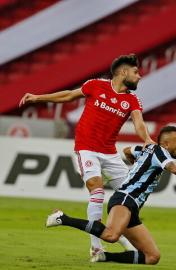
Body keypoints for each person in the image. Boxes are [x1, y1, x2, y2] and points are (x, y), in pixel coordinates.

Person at [19, 54, 155, 257]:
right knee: (97, 189)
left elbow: (139, 123)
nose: (140, 76)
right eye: (136, 72)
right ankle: (96, 247)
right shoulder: (96, 85)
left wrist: (147, 139)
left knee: (129, 199)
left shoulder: (131, 100)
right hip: (87, 148)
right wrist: (38, 97)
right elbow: (68, 95)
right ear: (123, 72)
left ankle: (124, 237)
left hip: (110, 153)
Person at [45, 126, 176, 265]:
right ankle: (62, 218)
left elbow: (127, 150)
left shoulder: (147, 149)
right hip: (125, 198)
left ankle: (105, 257)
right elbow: (175, 169)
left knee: (152, 257)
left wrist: (138, 164)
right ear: (166, 144)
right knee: (111, 235)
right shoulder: (159, 151)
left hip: (133, 207)